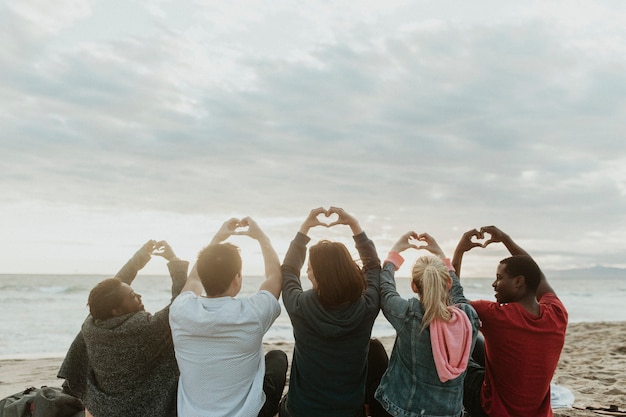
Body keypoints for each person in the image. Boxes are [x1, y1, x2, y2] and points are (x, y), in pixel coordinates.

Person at [169, 217, 288, 417]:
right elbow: (274, 276)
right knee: (277, 358)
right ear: (237, 278)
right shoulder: (253, 313)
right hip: (249, 414)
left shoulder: (180, 309)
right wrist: (261, 237)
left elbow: (194, 278)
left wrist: (218, 237)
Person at [58, 239, 188, 417]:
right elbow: (180, 304)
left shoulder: (92, 325)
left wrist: (141, 257)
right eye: (133, 296)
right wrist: (173, 259)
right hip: (144, 409)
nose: (140, 296)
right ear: (117, 310)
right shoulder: (144, 328)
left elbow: (116, 285)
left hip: (102, 408)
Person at [452, 226, 568, 417]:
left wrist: (460, 250)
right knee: (478, 343)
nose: (494, 284)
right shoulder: (556, 313)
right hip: (536, 412)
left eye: (499, 278)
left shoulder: (496, 316)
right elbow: (537, 274)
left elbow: (452, 298)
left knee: (453, 348)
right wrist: (506, 239)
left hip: (491, 409)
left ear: (519, 281)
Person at [279, 207, 383, 417]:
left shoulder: (299, 306)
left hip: (300, 413)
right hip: (349, 413)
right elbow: (373, 267)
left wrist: (305, 228)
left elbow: (289, 270)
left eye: (309, 268)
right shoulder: (367, 307)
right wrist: (354, 225)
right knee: (376, 349)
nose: (306, 271)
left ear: (317, 275)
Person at [374, 231, 480, 417]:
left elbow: (386, 290)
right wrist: (440, 254)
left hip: (405, 410)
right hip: (450, 412)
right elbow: (458, 292)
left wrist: (395, 253)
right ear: (447, 283)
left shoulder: (407, 315)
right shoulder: (467, 317)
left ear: (414, 286)